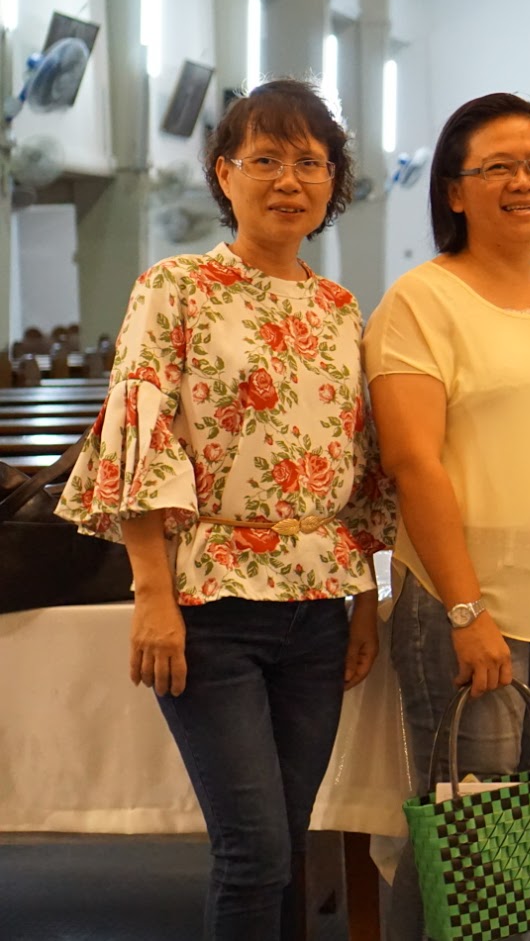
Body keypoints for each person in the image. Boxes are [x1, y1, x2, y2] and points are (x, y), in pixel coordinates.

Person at [56, 78, 392, 940]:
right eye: (265, 159)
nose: (289, 180)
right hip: (212, 604)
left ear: (333, 181)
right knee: (251, 849)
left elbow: (356, 465)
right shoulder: (175, 286)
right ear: (224, 174)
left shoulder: (339, 308)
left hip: (319, 606)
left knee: (290, 841)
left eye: (310, 162)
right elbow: (140, 436)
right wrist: (152, 594)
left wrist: (364, 600)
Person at [363, 92, 530, 940]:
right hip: (468, 604)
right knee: (462, 824)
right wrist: (467, 608)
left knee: (522, 849)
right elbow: (413, 463)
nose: (524, 181)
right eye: (499, 167)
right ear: (453, 190)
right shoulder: (420, 302)